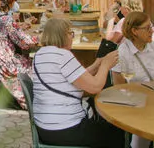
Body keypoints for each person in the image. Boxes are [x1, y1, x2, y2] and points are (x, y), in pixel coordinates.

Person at [31, 18, 124, 148]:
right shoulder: (63, 56)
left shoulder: (40, 54)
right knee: (118, 132)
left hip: (45, 127)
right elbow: (95, 87)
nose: (72, 37)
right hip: (66, 128)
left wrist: (98, 64)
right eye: (70, 33)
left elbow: (76, 77)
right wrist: (106, 65)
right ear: (62, 35)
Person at [112, 11, 154, 148]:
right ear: (134, 31)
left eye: (151, 26)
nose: (152, 31)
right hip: (135, 102)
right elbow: (118, 87)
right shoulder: (122, 52)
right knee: (147, 121)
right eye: (147, 28)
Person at [0, 0, 38, 108]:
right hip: (3, 59)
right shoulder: (7, 19)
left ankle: (11, 97)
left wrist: (18, 27)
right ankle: (28, 98)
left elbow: (9, 32)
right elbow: (22, 41)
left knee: (24, 60)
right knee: (31, 64)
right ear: (12, 2)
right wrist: (37, 39)